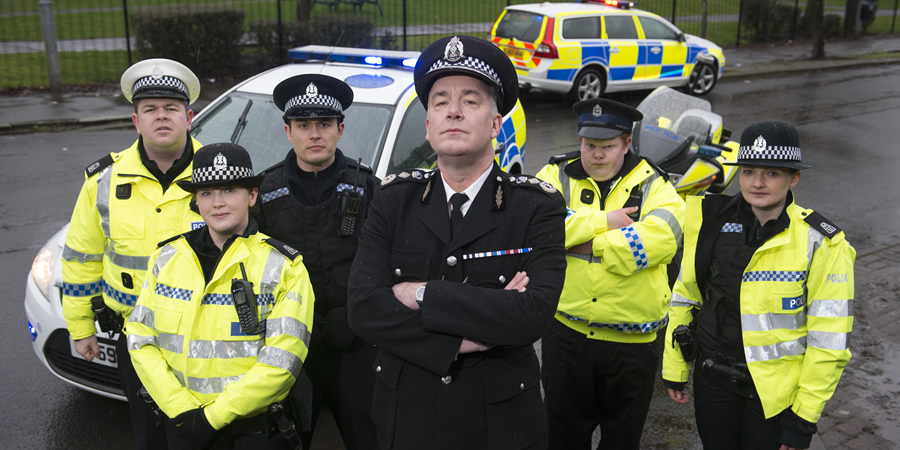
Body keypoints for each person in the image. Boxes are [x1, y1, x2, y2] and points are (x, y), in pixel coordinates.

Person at [347, 34, 567, 450]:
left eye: (470, 100)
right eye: (440, 101)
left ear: (495, 122)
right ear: (428, 125)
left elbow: (532, 315)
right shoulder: (393, 200)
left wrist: (421, 292)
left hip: (501, 424)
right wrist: (458, 337)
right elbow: (363, 309)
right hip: (407, 416)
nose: (453, 111)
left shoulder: (535, 206)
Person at [662, 121, 855, 449]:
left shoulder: (822, 243)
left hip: (775, 396)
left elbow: (829, 340)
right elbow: (685, 298)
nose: (757, 183)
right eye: (748, 171)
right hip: (714, 379)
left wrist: (804, 418)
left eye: (772, 173)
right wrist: (675, 365)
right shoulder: (710, 220)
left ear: (794, 178)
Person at [126, 142, 316, 449]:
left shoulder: (285, 268)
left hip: (253, 435)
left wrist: (211, 418)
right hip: (183, 425)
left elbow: (283, 361)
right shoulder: (166, 259)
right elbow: (140, 338)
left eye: (229, 190)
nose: (217, 203)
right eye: (207, 193)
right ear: (195, 200)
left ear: (252, 196)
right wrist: (181, 409)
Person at [61, 58, 202, 449]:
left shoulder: (219, 173)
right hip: (135, 339)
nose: (162, 117)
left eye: (171, 108)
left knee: (207, 433)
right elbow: (81, 258)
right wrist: (81, 328)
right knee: (150, 436)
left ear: (188, 117)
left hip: (206, 337)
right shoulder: (104, 180)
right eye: (150, 109)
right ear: (136, 121)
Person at [535, 99, 685, 449]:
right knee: (561, 437)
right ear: (579, 140)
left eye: (607, 147)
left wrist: (586, 244)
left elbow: (663, 239)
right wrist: (607, 222)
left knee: (622, 440)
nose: (597, 155)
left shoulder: (656, 185)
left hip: (631, 345)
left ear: (626, 144)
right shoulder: (552, 176)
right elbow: (538, 228)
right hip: (567, 335)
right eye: (590, 146)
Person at [254, 73, 380, 449]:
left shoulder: (369, 187)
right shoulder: (264, 192)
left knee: (369, 437)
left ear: (340, 130)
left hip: (354, 344)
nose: (314, 134)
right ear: (287, 131)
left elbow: (384, 266)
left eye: (324, 124)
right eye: (303, 125)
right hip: (289, 348)